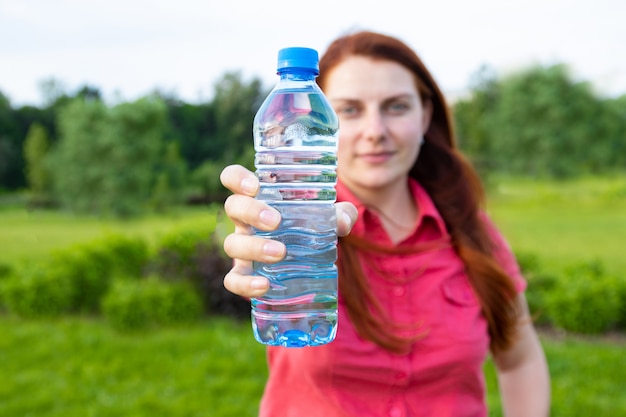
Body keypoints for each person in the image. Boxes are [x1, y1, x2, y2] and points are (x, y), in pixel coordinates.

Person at [220, 30, 551, 417]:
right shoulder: (292, 225)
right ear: (317, 121)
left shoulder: (472, 232)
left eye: (395, 107)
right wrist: (255, 254)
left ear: (425, 116)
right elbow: (254, 253)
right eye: (350, 109)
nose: (375, 131)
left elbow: (521, 359)